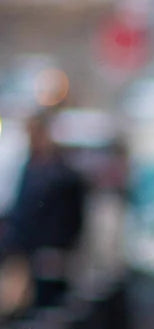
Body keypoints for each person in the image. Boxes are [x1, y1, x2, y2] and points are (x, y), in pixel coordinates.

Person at [0, 113, 85, 310]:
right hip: (27, 249)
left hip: (50, 252)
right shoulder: (30, 168)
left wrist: (61, 248)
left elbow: (69, 217)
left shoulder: (60, 174)